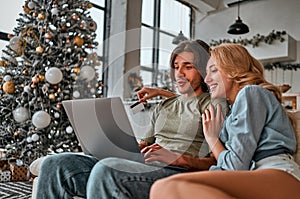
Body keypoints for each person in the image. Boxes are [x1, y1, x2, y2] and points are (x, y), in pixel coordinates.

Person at [36, 40, 229, 199]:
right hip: (141, 166)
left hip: (178, 173)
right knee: (55, 164)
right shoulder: (165, 105)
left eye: (188, 67)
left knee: (106, 170)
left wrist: (181, 159)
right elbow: (145, 143)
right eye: (176, 67)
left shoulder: (214, 104)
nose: (179, 73)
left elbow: (217, 161)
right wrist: (119, 146)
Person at [150, 43, 300, 199]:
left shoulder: (251, 93)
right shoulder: (234, 110)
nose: (207, 79)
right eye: (206, 72)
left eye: (214, 70)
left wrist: (212, 139)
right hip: (254, 176)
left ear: (232, 70)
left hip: (277, 175)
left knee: (166, 187)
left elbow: (235, 166)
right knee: (164, 187)